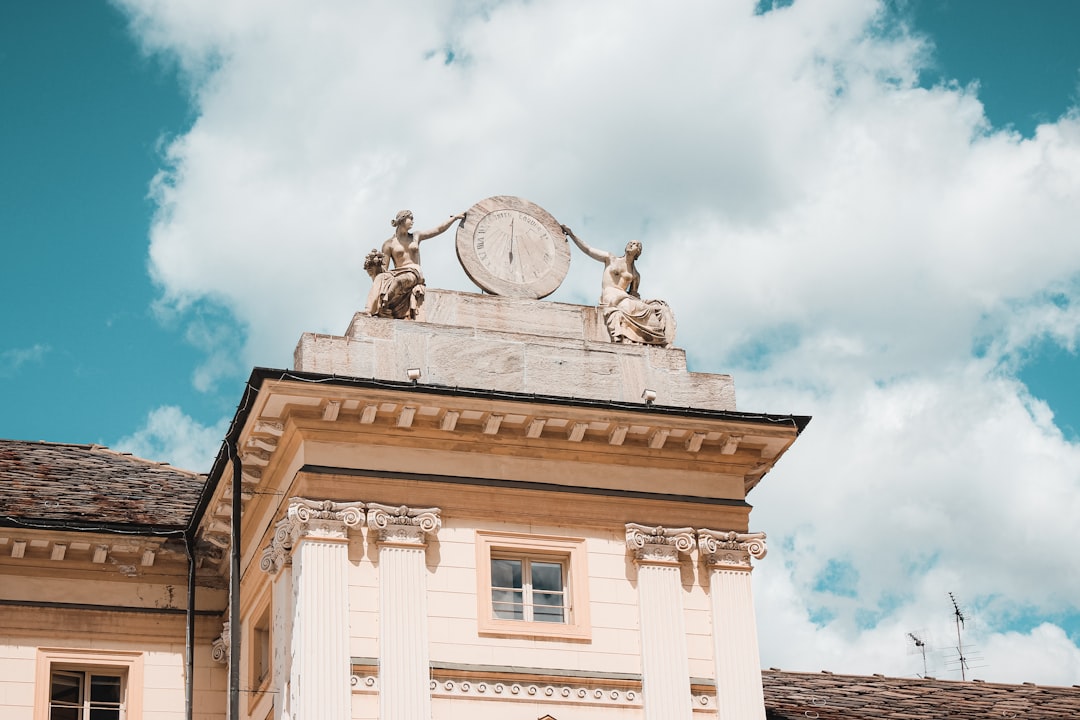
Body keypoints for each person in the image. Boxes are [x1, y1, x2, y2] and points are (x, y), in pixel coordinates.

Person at [561, 225, 675, 347]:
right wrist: (572, 235)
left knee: (650, 308)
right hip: (610, 295)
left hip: (624, 297)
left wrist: (647, 303)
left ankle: (659, 341)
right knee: (629, 305)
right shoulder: (611, 259)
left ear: (638, 252)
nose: (631, 245)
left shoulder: (635, 275)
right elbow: (588, 249)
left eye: (635, 244)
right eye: (630, 243)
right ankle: (634, 337)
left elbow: (634, 295)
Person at [364, 209, 465, 319]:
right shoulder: (388, 244)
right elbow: (384, 270)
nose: (412, 221)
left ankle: (384, 306)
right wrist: (375, 267)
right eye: (410, 218)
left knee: (398, 281)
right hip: (396, 272)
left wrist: (453, 219)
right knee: (381, 278)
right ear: (402, 220)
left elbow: (437, 229)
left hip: (414, 272)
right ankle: (371, 310)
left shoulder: (416, 236)